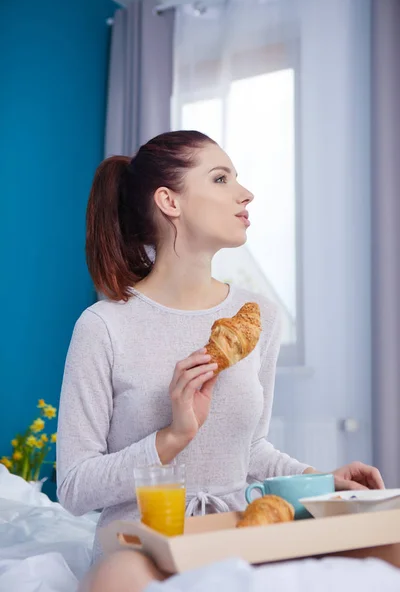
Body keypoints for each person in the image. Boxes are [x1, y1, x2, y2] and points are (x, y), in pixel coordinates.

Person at [57, 130, 384, 568]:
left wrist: (324, 482)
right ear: (169, 202)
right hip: (142, 548)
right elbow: (75, 488)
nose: (245, 194)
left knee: (383, 544)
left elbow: (250, 451)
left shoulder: (259, 317)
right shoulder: (103, 327)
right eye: (220, 179)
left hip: (235, 538)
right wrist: (171, 438)